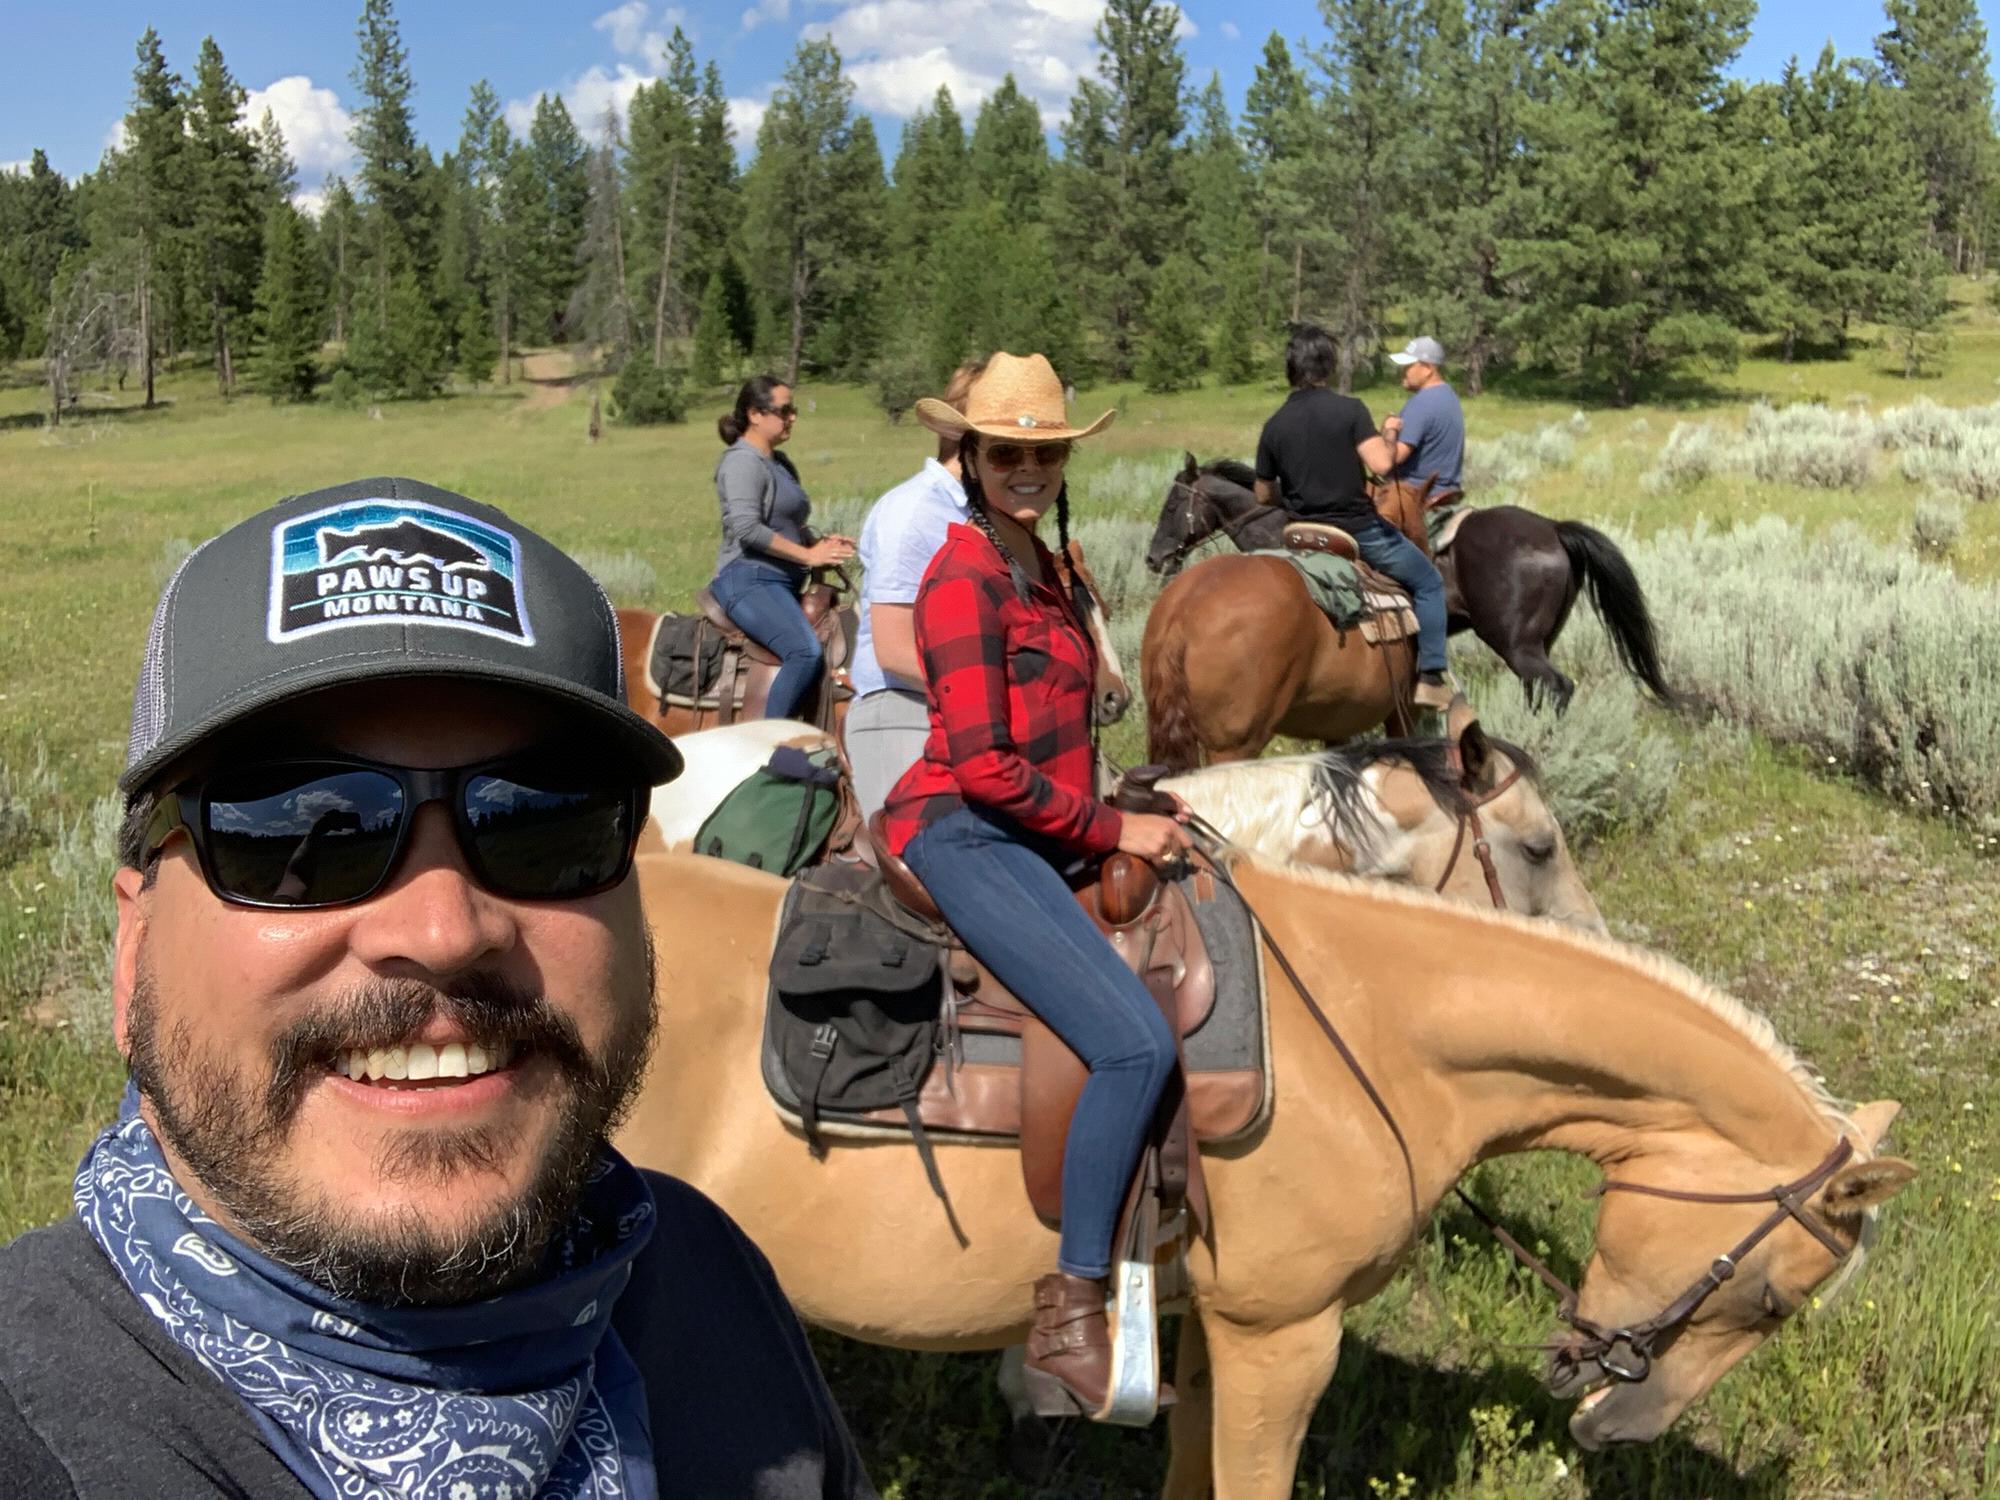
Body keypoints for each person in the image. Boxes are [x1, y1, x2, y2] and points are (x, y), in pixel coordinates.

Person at [0, 477, 873, 1499]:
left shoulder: (702, 1281)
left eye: (542, 823)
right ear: (133, 948)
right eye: (290, 835)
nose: (444, 929)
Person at [879, 354, 1193, 1419]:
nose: (1026, 469)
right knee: (1132, 1041)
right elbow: (983, 768)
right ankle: (1068, 1313)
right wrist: (1117, 827)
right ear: (967, 456)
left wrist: (1124, 796)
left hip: (1034, 822)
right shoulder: (961, 577)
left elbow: (1054, 733)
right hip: (966, 832)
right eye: (1005, 451)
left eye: (1043, 454)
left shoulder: (1041, 563)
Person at [1253, 324, 1453, 711]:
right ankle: (1430, 677)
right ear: (1327, 366)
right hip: (1358, 533)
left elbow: (1262, 495)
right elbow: (1381, 465)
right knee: (1429, 581)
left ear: (1291, 369)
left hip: (1300, 535)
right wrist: (1390, 434)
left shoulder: (1274, 425)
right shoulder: (1350, 410)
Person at [845, 359, 984, 819]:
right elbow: (894, 652)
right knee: (920, 862)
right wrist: (996, 694)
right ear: (971, 442)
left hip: (959, 710)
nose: (1025, 463)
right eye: (1009, 449)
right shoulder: (914, 514)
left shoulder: (982, 514)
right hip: (900, 707)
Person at [710, 376, 856, 720]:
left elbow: (789, 523)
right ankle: (771, 746)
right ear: (755, 414)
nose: (792, 417)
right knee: (804, 652)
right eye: (784, 410)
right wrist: (809, 556)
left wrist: (818, 542)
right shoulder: (741, 462)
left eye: (793, 410)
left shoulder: (780, 463)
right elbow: (746, 528)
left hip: (781, 581)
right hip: (747, 579)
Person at [1383, 335, 1465, 508]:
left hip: (1415, 493)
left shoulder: (1421, 403)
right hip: (1447, 490)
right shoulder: (1448, 395)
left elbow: (1394, 457)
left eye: (1409, 366)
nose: (1403, 371)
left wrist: (1389, 431)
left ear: (1428, 368)